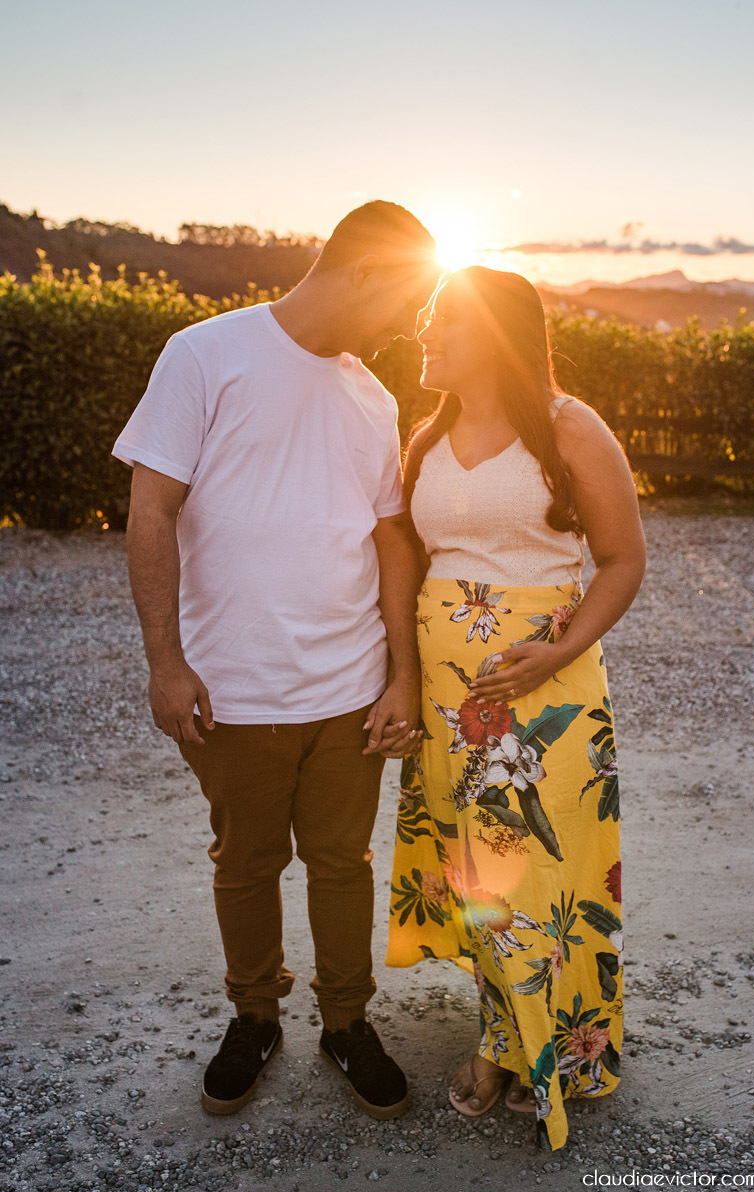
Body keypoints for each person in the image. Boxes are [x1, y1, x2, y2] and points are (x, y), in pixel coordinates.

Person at [112, 201, 438, 1120]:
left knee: (341, 864)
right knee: (247, 863)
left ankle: (346, 1023)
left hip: (349, 689)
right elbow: (150, 511)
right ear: (367, 273)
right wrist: (165, 662)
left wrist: (402, 675)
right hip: (234, 687)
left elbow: (389, 540)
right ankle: (254, 1017)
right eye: (406, 302)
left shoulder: (373, 398)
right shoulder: (204, 353)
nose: (407, 328)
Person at [386, 265, 646, 1150]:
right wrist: (401, 677)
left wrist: (559, 652)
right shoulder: (426, 437)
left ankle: (535, 1044)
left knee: (540, 869)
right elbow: (406, 557)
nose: (423, 331)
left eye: (443, 319)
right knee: (478, 873)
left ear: (496, 335)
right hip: (446, 693)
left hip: (548, 692)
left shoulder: (569, 427)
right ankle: (505, 1031)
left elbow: (622, 558)